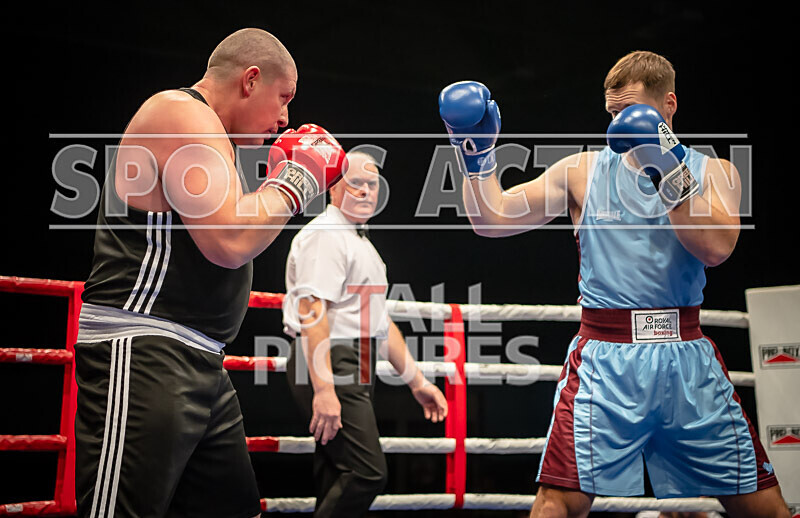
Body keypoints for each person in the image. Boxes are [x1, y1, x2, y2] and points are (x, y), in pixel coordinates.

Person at [438, 51, 790, 518]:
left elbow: (716, 248)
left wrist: (664, 164)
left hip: (686, 358)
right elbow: (492, 218)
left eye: (631, 112)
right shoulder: (581, 171)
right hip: (605, 357)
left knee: (761, 505)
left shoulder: (717, 172)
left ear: (669, 106)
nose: (619, 124)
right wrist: (474, 154)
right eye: (612, 114)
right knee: (557, 501)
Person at [74, 28, 348, 518]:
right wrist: (297, 178)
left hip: (199, 362)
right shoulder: (178, 114)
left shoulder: (214, 140)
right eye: (283, 98)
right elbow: (230, 242)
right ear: (250, 79)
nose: (285, 118)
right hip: (145, 350)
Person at [283, 151, 448, 518]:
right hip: (330, 359)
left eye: (372, 184)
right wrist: (324, 388)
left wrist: (417, 382)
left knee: (338, 473)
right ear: (334, 188)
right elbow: (313, 311)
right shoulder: (327, 235)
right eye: (355, 183)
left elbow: (379, 323)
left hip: (353, 360)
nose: (366, 191)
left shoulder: (361, 243)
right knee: (366, 471)